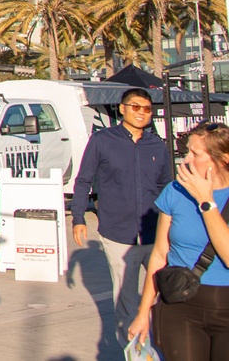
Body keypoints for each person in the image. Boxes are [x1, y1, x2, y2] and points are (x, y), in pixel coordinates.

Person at [71, 87, 172, 346]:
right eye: (135, 107)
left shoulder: (157, 146)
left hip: (154, 234)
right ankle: (132, 352)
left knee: (163, 294)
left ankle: (157, 347)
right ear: (123, 109)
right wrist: (79, 218)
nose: (141, 113)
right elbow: (83, 181)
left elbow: (166, 186)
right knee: (126, 301)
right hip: (118, 234)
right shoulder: (102, 141)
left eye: (147, 108)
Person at [129, 122, 229, 358]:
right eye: (186, 152)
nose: (185, 160)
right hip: (179, 305)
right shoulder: (175, 191)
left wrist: (206, 201)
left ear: (223, 159)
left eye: (195, 154)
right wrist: (143, 313)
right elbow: (160, 253)